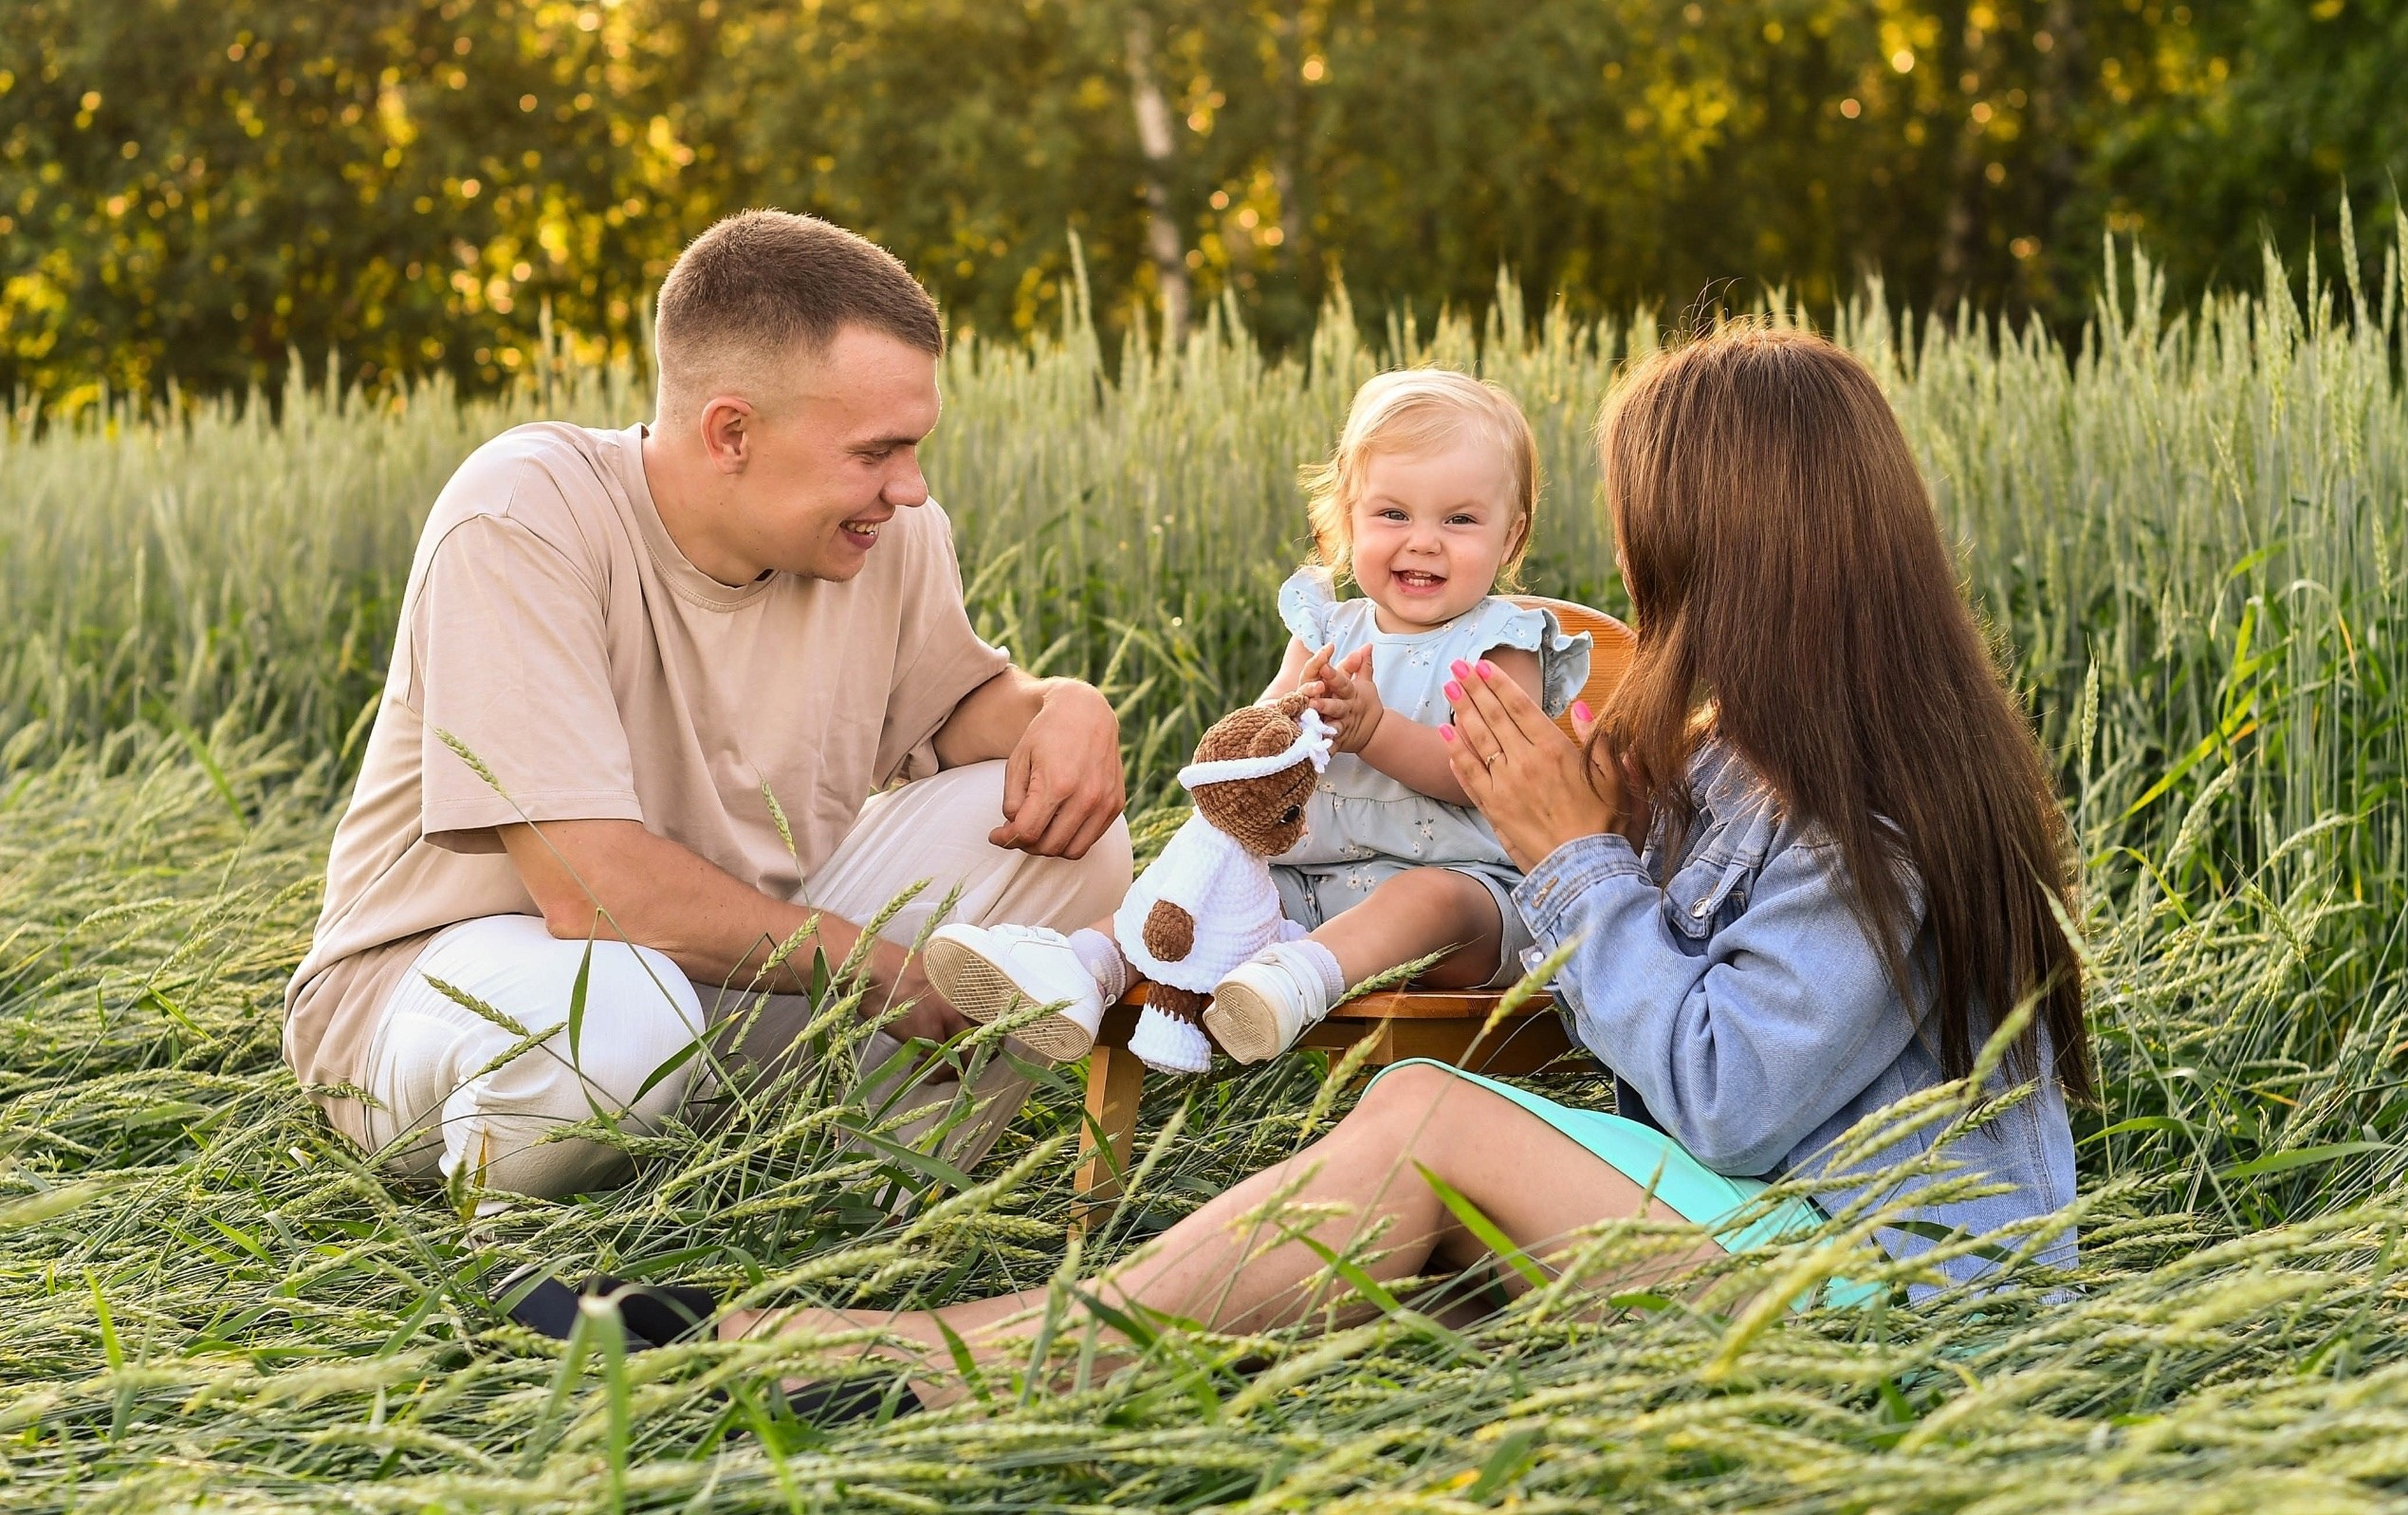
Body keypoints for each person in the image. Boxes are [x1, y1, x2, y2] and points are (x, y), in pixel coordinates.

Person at [527, 323, 2087, 1413]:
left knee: (1416, 1129)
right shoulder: (1746, 749)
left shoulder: (1866, 818)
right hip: (1777, 1240)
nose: (1626, 576)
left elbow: (1730, 1095)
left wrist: (1573, 855)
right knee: (1397, 1218)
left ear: (1728, 557)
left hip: (1899, 1325)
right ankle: (853, 1346)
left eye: (1649, 545)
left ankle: (906, 1362)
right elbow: (1620, 1008)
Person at [284, 211, 1132, 1210]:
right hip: (444, 1002)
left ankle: (844, 1209)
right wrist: (886, 973)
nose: (910, 485)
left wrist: (1066, 706)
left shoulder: (885, 534)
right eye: (878, 450)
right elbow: (592, 892)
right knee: (619, 1019)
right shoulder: (522, 513)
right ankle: (521, 1252)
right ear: (731, 430)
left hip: (731, 985)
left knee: (1066, 836)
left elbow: (967, 715)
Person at [914, 369, 1593, 1067]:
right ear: (1345, 520)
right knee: (1204, 876)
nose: (1423, 541)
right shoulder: (1326, 625)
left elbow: (1489, 777)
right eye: (1393, 515)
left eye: (1459, 520)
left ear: (1510, 539)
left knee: (1429, 900)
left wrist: (1375, 732)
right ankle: (1083, 968)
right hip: (1305, 886)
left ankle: (1295, 985)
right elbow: (1264, 720)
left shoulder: (1503, 644)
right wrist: (1279, 726)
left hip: (1472, 902)